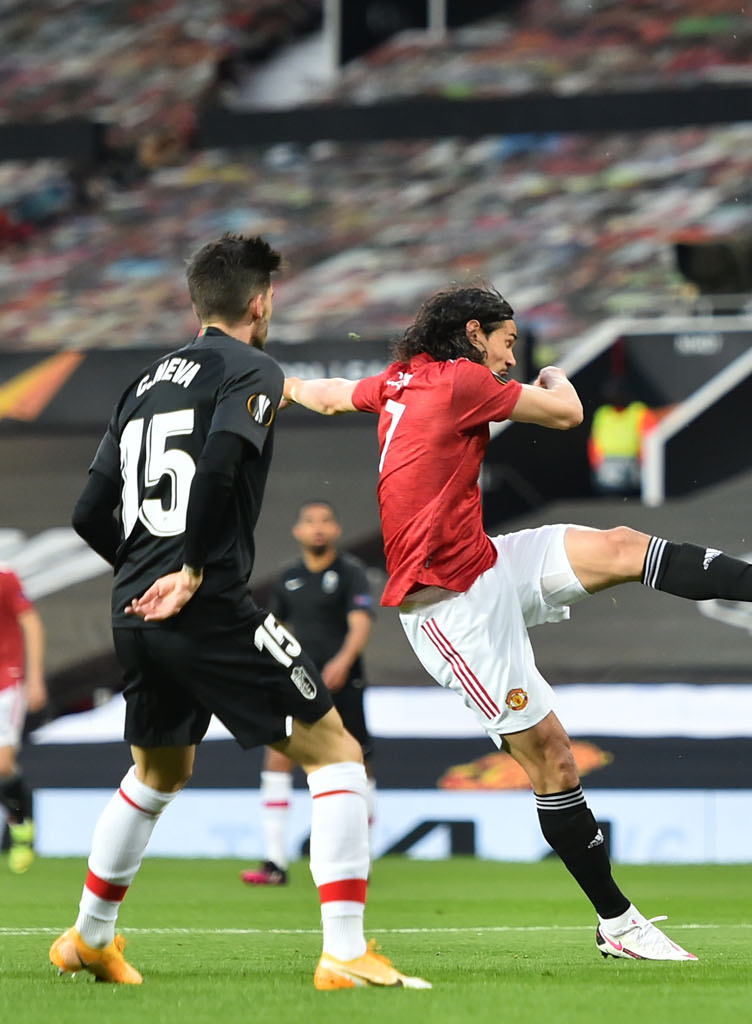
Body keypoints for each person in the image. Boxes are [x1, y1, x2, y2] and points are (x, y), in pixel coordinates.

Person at [283, 284, 752, 962]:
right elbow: (566, 411)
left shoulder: (400, 380)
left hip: (486, 562)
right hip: (449, 612)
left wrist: (277, 385)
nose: (510, 359)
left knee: (620, 546)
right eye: (507, 343)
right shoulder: (462, 383)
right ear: (474, 332)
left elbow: (328, 395)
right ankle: (617, 923)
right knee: (553, 762)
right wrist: (553, 375)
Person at [60, 234, 426, 989]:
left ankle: (92, 939)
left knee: (159, 771)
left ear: (197, 304)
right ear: (260, 303)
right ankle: (346, 952)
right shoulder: (253, 368)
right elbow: (222, 463)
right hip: (206, 604)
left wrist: (144, 575)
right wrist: (189, 570)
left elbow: (90, 511)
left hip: (136, 611)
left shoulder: (141, 385)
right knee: (337, 756)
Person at [242, 500, 376, 887]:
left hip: (344, 680)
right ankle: (274, 861)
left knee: (358, 762)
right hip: (301, 682)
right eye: (310, 521)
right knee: (279, 756)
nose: (318, 527)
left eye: (326, 520)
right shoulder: (288, 578)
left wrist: (343, 661)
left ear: (336, 530)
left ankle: (361, 857)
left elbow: (361, 622)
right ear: (298, 531)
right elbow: (276, 629)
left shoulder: (351, 573)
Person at [0, 566, 47, 873]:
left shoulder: (5, 578)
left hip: (6, 680)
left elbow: (31, 624)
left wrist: (35, 679)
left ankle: (21, 824)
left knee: (2, 765)